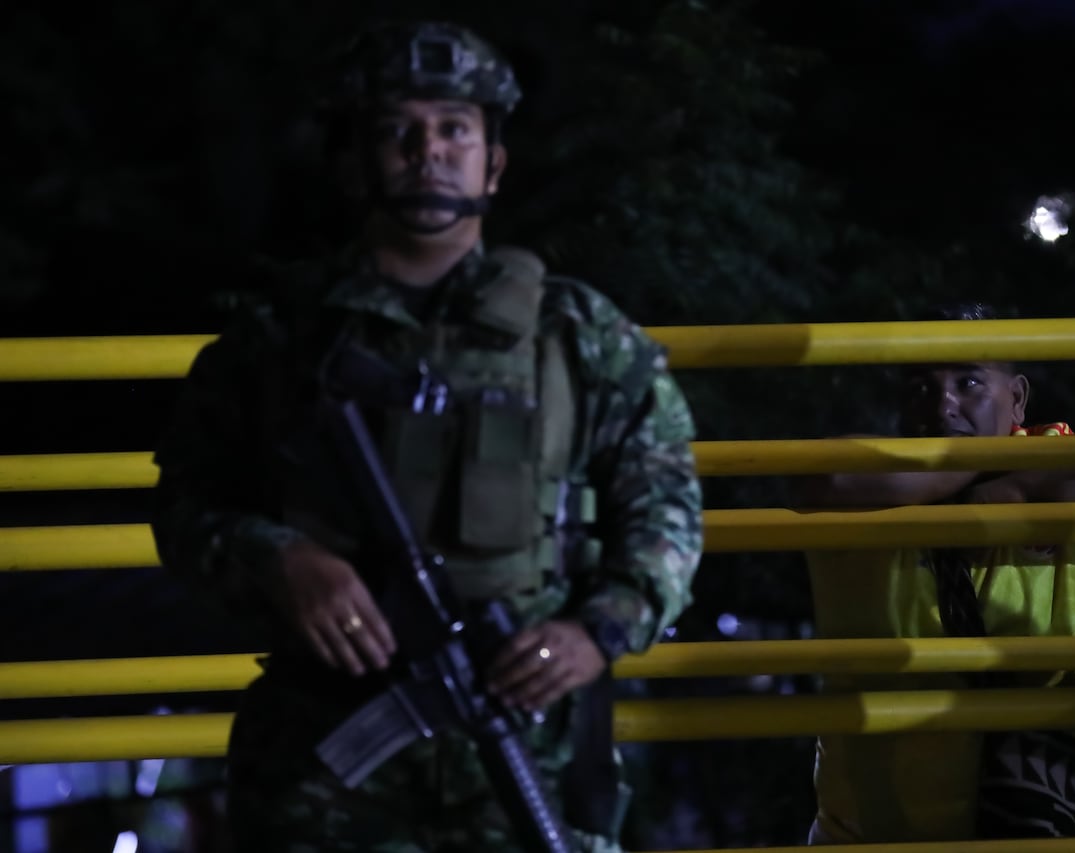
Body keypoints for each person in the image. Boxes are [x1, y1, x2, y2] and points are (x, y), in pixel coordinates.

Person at [150, 20, 703, 852]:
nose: (428, 150)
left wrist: (598, 631)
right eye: (398, 131)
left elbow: (667, 510)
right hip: (329, 767)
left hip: (528, 747)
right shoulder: (281, 339)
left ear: (494, 162)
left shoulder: (579, 334)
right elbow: (187, 504)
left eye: (454, 129)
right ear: (355, 162)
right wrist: (279, 558)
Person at [793, 303, 1075, 844]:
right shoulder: (867, 476)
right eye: (920, 386)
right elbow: (823, 480)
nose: (943, 403)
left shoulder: (1052, 467)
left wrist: (1022, 490)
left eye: (968, 380)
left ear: (1016, 398)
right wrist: (980, 470)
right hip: (870, 830)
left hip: (1029, 823)